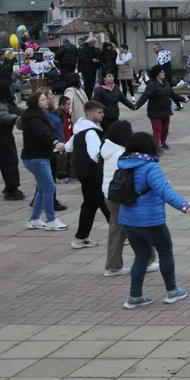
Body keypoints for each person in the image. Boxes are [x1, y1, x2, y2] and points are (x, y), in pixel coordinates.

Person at [115, 131, 190, 308]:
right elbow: (164, 191)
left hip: (128, 219)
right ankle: (172, 290)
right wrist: (185, 206)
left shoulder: (124, 163)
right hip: (150, 219)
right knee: (165, 250)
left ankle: (134, 296)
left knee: (141, 255)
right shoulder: (149, 167)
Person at [101, 120, 156, 278]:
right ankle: (147, 260)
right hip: (121, 197)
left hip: (109, 195)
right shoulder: (121, 154)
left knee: (117, 230)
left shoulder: (108, 149)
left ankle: (113, 266)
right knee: (137, 227)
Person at [21, 89, 69, 230]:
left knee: (43, 188)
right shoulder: (34, 118)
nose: (47, 101)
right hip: (36, 157)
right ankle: (51, 220)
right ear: (35, 103)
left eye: (45, 99)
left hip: (40, 156)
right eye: (43, 99)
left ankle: (35, 219)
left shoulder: (39, 115)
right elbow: (45, 133)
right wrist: (56, 143)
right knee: (49, 187)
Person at [69, 100, 111, 249]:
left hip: (82, 172)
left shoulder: (80, 129)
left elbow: (68, 147)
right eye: (99, 112)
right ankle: (120, 232)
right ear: (90, 114)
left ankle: (81, 237)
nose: (102, 115)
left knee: (90, 204)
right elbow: (95, 154)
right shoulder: (91, 132)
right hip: (92, 173)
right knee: (105, 203)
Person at [133, 66, 184, 150]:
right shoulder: (152, 84)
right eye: (162, 72)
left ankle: (163, 143)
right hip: (155, 111)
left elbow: (172, 94)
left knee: (165, 129)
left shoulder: (166, 83)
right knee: (157, 129)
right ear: (157, 74)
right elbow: (145, 96)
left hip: (166, 110)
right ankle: (156, 147)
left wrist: (183, 99)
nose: (164, 73)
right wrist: (137, 105)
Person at [0, 81, 23, 200]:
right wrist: (17, 119)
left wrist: (30, 112)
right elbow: (3, 115)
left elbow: (17, 110)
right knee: (8, 161)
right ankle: (12, 188)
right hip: (1, 134)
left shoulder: (6, 101)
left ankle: (10, 186)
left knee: (11, 159)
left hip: (5, 133)